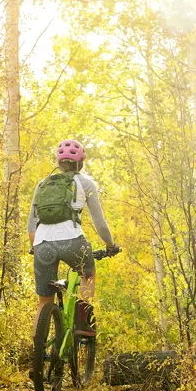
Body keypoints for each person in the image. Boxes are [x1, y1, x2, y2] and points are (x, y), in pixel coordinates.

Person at [27, 140, 118, 337]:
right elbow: (100, 223)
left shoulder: (42, 184)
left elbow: (31, 224)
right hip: (74, 243)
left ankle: (37, 355)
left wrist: (35, 246)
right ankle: (82, 323)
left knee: (44, 302)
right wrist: (110, 245)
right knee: (88, 275)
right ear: (81, 162)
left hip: (42, 245)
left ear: (59, 163)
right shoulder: (86, 183)